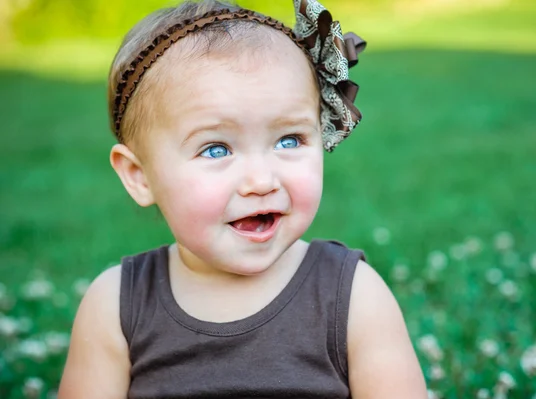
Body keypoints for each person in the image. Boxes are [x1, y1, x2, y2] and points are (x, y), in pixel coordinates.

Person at [58, 0, 427, 397]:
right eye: (216, 149)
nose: (261, 181)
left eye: (289, 140)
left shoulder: (353, 296)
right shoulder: (115, 308)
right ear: (140, 176)